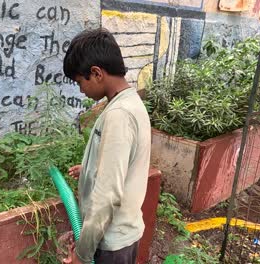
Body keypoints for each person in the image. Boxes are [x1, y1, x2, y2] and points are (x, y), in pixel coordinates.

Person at [61, 28, 151, 264]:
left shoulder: (119, 114)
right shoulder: (129, 102)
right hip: (121, 236)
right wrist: (91, 169)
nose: (81, 90)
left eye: (80, 82)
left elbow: (107, 197)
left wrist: (82, 254)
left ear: (97, 73)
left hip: (111, 244)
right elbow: (123, 166)